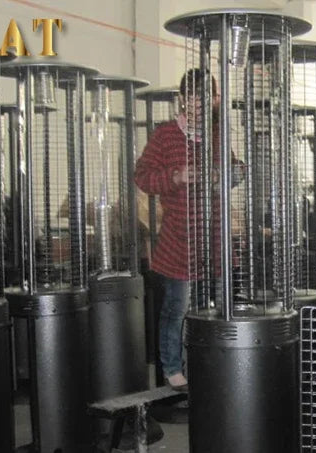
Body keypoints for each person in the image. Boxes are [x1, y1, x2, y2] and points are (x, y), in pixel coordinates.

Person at [134, 69, 217, 391]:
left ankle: (201, 366)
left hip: (213, 239)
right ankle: (172, 368)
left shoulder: (216, 135)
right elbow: (142, 176)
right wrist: (175, 176)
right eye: (193, 96)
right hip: (178, 241)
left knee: (208, 310)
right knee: (176, 308)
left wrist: (223, 174)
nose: (199, 103)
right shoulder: (165, 135)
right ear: (183, 98)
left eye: (205, 96)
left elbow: (236, 169)